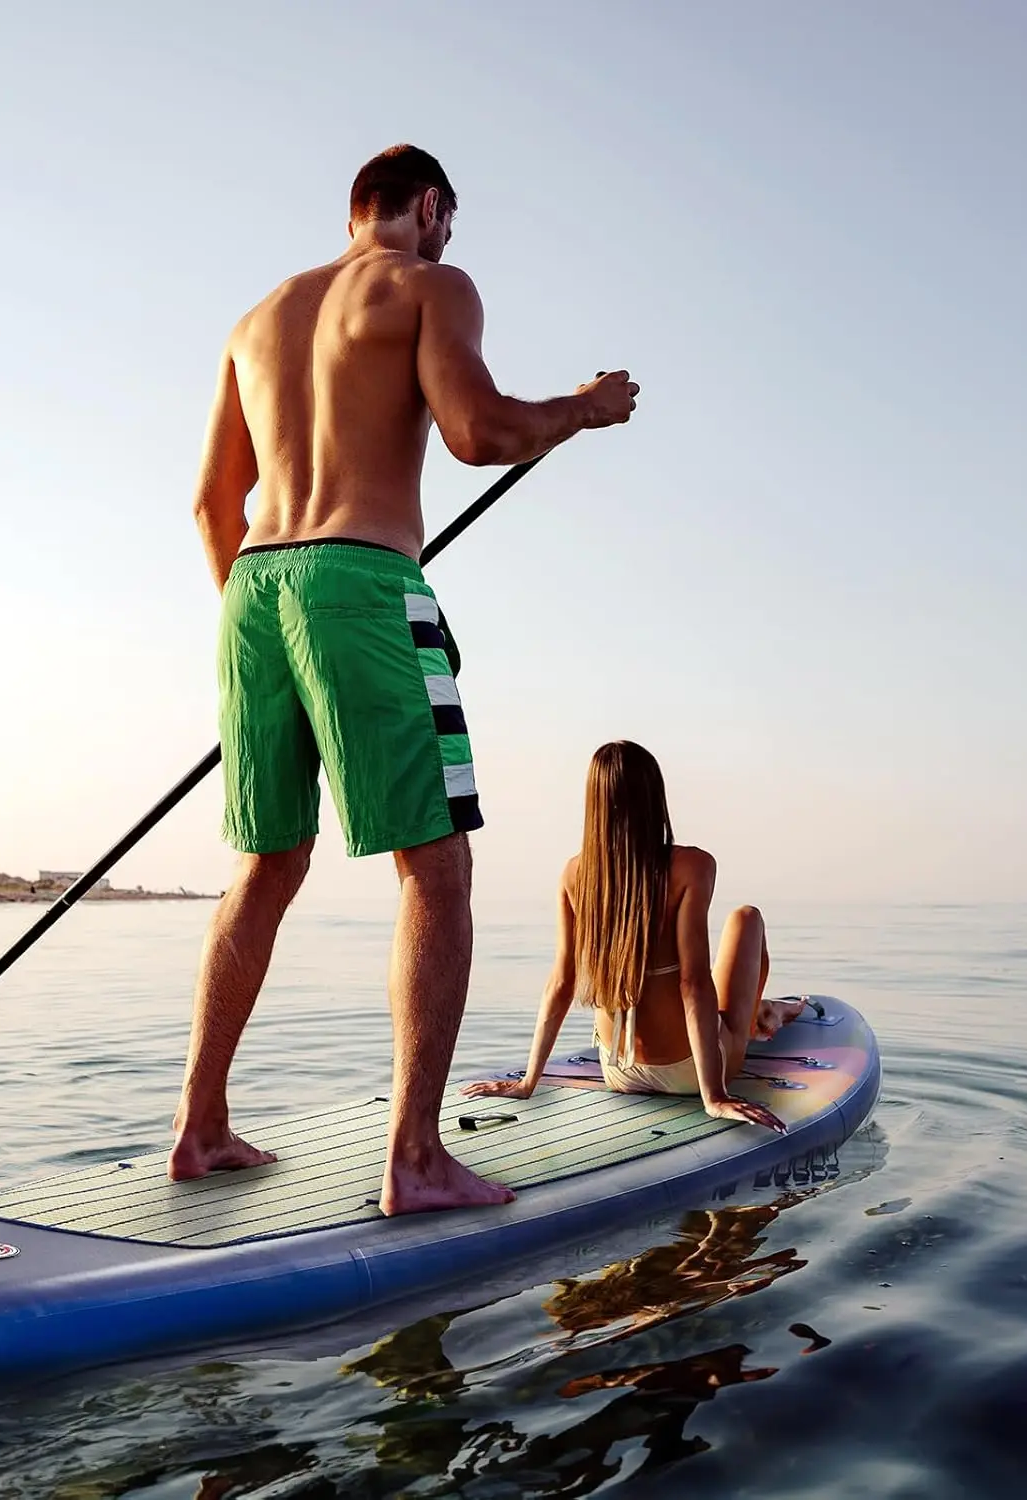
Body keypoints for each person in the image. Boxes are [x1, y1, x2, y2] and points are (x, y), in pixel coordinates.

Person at [169, 144, 641, 1215]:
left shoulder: (257, 319)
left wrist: (275, 625)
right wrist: (583, 408)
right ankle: (416, 1159)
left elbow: (211, 504)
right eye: (448, 222)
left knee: (268, 863)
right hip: (362, 580)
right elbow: (479, 433)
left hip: (251, 590)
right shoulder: (429, 285)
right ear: (427, 208)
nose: (446, 241)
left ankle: (201, 1127)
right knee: (436, 867)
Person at [463, 741, 793, 1131]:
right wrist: (713, 1096)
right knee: (746, 919)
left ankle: (764, 1011)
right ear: (655, 796)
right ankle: (760, 1015)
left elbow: (561, 983)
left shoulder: (574, 874)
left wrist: (528, 1081)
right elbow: (692, 984)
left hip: (619, 1072)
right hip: (687, 1072)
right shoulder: (693, 866)